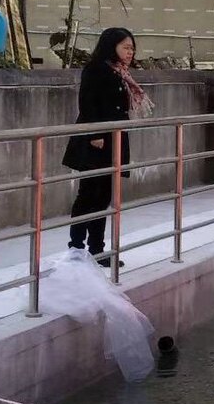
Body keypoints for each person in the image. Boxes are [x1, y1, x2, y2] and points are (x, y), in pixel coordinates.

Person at [62, 28, 152, 268]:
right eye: (126, 47)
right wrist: (95, 134)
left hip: (114, 139)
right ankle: (77, 246)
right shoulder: (96, 69)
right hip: (96, 140)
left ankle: (97, 249)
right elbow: (87, 102)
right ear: (111, 46)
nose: (130, 52)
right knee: (88, 194)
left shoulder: (119, 72)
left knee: (103, 195)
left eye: (132, 48)